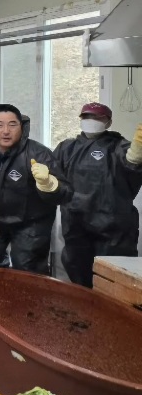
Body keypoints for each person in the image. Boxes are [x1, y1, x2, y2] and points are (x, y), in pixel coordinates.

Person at [0, 104, 73, 275]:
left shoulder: (39, 153)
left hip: (32, 221)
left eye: (12, 125)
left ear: (21, 127)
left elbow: (65, 194)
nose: (6, 131)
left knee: (27, 268)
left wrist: (48, 184)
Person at [54, 103, 142, 287]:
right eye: (86, 117)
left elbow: (131, 163)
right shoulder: (66, 148)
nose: (91, 121)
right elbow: (52, 175)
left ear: (108, 122)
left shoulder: (118, 146)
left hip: (114, 225)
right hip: (76, 223)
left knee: (114, 276)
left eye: (98, 118)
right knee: (78, 271)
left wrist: (136, 154)